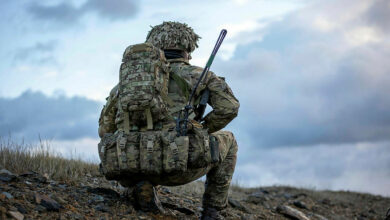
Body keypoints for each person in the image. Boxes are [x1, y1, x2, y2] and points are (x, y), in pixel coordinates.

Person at [98, 21, 239, 220]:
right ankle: (212, 210)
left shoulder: (126, 85)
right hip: (177, 168)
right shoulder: (200, 76)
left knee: (133, 143)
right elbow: (230, 108)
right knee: (229, 140)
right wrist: (201, 128)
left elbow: (105, 129)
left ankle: (140, 186)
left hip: (127, 169)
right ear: (187, 48)